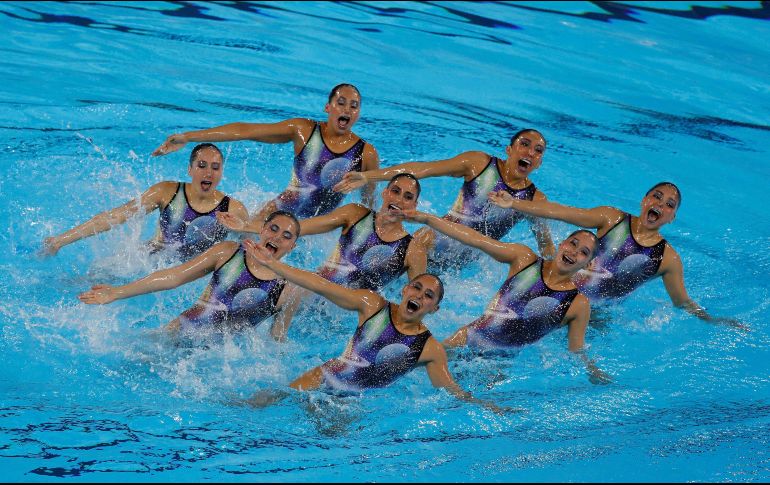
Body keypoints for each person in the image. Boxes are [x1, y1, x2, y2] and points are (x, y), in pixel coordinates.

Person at [242, 238, 509, 412]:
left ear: (434, 309)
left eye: (428, 296)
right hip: (320, 379)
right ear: (404, 289)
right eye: (416, 287)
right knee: (256, 406)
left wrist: (488, 406)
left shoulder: (429, 350)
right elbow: (320, 284)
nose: (419, 295)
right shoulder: (372, 305)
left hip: (351, 405)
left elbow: (451, 390)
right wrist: (274, 265)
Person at [488, 182, 746, 329]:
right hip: (559, 296)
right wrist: (515, 203)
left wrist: (713, 320)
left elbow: (682, 302)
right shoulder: (611, 218)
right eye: (657, 197)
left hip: (596, 318)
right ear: (644, 199)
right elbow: (561, 212)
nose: (660, 205)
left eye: (669, 205)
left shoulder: (667, 259)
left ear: (672, 218)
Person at [398, 209, 611, 384]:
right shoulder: (524, 259)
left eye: (583, 252)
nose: (574, 252)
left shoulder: (577, 304)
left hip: (499, 364)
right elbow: (475, 239)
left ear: (589, 264)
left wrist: (592, 370)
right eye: (573, 243)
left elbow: (576, 348)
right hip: (466, 340)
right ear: (562, 243)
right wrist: (428, 219)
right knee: (405, 374)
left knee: (456, 402)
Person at [217, 174, 428, 339]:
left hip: (345, 311)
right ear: (384, 193)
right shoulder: (355, 214)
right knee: (285, 291)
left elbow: (417, 302)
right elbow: (301, 228)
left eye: (408, 197)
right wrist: (247, 226)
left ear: (415, 206)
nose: (399, 199)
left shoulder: (413, 250)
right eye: (395, 191)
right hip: (313, 292)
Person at [151, 83, 380, 225]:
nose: (347, 110)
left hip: (316, 229)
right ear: (327, 107)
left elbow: (368, 202)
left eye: (354, 106)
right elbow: (245, 130)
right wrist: (189, 137)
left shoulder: (365, 154)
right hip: (275, 214)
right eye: (341, 103)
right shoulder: (304, 131)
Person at [333, 128, 555, 270]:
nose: (529, 152)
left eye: (537, 151)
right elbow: (421, 170)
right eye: (524, 144)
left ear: (539, 163)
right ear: (509, 149)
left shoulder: (535, 201)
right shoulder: (479, 164)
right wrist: (367, 176)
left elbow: (546, 249)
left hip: (462, 266)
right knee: (369, 271)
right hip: (432, 242)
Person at [77, 211, 301, 338]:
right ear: (261, 230)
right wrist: (117, 292)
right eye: (273, 229)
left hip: (216, 363)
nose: (278, 237)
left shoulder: (289, 289)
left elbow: (277, 338)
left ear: (292, 246)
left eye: (287, 236)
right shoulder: (228, 252)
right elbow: (174, 276)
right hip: (178, 334)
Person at [43, 143, 248, 261]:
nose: (208, 173)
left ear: (221, 172)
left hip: (194, 269)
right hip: (153, 258)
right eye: (202, 165)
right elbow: (115, 216)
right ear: (190, 169)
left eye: (215, 167)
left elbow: (251, 245)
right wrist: (60, 240)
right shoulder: (167, 192)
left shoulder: (233, 209)